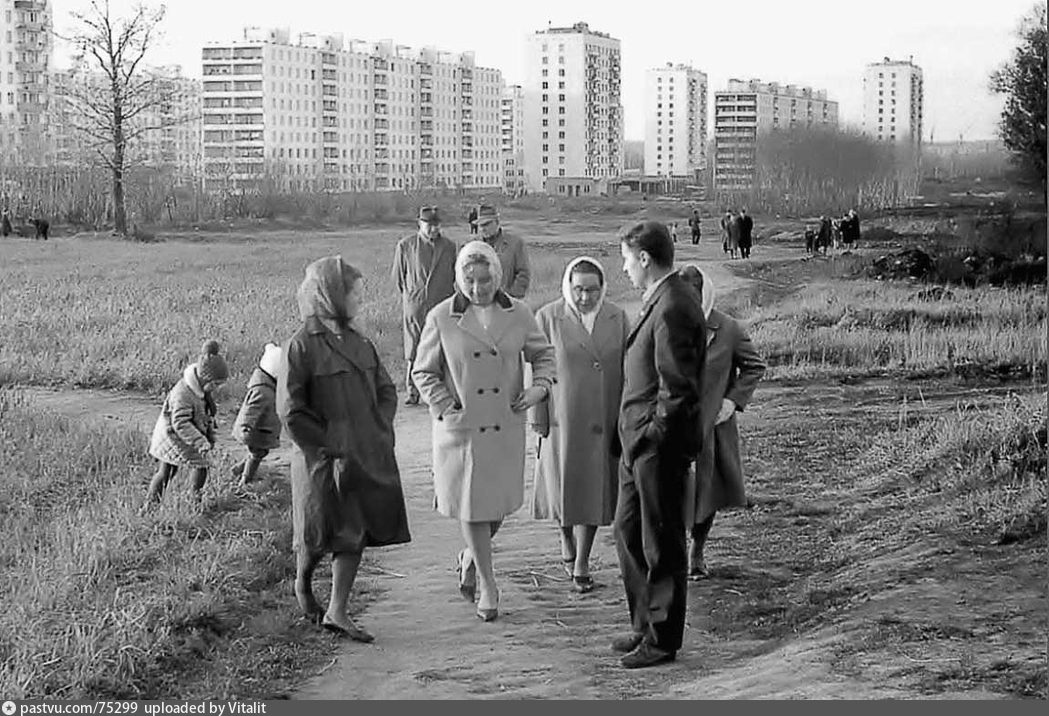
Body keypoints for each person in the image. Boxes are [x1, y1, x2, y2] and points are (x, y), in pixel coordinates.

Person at [412, 240, 556, 622]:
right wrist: (445, 405)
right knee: (473, 505)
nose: (478, 288)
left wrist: (539, 386)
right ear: (460, 280)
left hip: (505, 423)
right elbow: (422, 371)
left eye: (485, 279)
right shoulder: (441, 317)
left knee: (498, 509)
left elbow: (544, 355)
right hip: (463, 428)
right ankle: (489, 586)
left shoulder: (520, 313)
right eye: (470, 281)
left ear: (499, 275)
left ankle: (469, 557)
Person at [278, 255, 411, 642]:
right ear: (331, 295)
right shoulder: (300, 346)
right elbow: (290, 410)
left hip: (363, 453)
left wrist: (379, 428)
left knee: (354, 530)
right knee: (317, 533)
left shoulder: (361, 343)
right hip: (319, 458)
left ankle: (337, 610)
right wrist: (325, 444)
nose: (359, 302)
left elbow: (386, 390)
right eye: (354, 294)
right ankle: (303, 582)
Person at [611, 221, 706, 669]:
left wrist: (651, 436)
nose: (624, 267)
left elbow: (679, 389)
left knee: (662, 542)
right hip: (637, 445)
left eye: (627, 259)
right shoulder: (661, 299)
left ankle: (662, 638)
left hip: (656, 447)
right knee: (628, 531)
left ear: (645, 258)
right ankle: (642, 624)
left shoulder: (673, 305)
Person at [530, 256, 630, 594]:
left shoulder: (618, 318)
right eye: (578, 290)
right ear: (567, 288)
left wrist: (625, 417)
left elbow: (629, 369)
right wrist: (537, 416)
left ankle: (583, 561)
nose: (585, 297)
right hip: (561, 418)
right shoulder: (547, 317)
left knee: (594, 491)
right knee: (561, 487)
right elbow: (535, 371)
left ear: (602, 288)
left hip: (603, 418)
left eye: (591, 290)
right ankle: (564, 535)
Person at [678, 264, 766, 579]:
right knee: (673, 490)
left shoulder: (727, 329)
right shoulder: (664, 324)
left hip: (712, 425)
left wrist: (731, 401)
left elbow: (755, 366)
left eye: (693, 297)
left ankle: (697, 551)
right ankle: (673, 552)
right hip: (672, 424)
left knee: (707, 490)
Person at [144, 339, 229, 508]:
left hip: (180, 435)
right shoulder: (183, 394)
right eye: (216, 384)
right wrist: (200, 441)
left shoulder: (198, 390)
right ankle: (193, 502)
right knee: (198, 465)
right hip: (172, 436)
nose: (217, 388)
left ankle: (151, 506)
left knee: (168, 471)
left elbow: (203, 412)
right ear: (205, 379)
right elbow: (180, 423)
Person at [391, 205, 457, 406]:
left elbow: (456, 276)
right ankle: (412, 390)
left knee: (442, 348)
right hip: (416, 306)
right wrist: (412, 296)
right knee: (414, 349)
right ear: (419, 224)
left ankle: (443, 390)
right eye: (428, 225)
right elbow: (398, 278)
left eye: (436, 225)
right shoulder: (406, 245)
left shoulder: (449, 246)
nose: (433, 229)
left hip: (442, 305)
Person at [230, 342, 283, 489]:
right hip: (256, 431)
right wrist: (247, 426)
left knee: (258, 453)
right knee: (257, 454)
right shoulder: (264, 392)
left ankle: (238, 469)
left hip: (261, 429)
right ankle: (245, 480)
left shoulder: (267, 388)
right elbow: (250, 410)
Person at [475, 204, 530, 298]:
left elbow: (523, 273)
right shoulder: (473, 247)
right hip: (480, 303)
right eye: (480, 225)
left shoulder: (515, 244)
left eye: (487, 224)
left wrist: (511, 297)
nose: (483, 229)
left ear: (497, 223)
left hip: (508, 303)